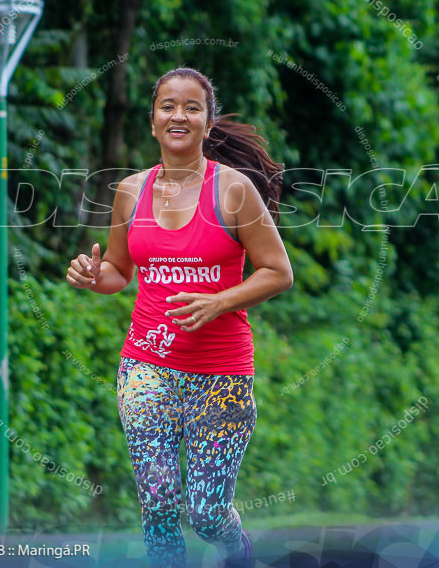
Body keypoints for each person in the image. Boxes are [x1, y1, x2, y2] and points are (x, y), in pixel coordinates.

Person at [66, 67, 292, 567]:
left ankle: (239, 552)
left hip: (222, 372)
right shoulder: (130, 190)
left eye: (192, 108)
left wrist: (220, 301)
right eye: (168, 105)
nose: (179, 115)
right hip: (147, 365)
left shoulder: (233, 190)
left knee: (208, 513)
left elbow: (278, 272)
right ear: (152, 122)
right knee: (159, 498)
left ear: (208, 125)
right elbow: (119, 271)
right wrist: (90, 273)